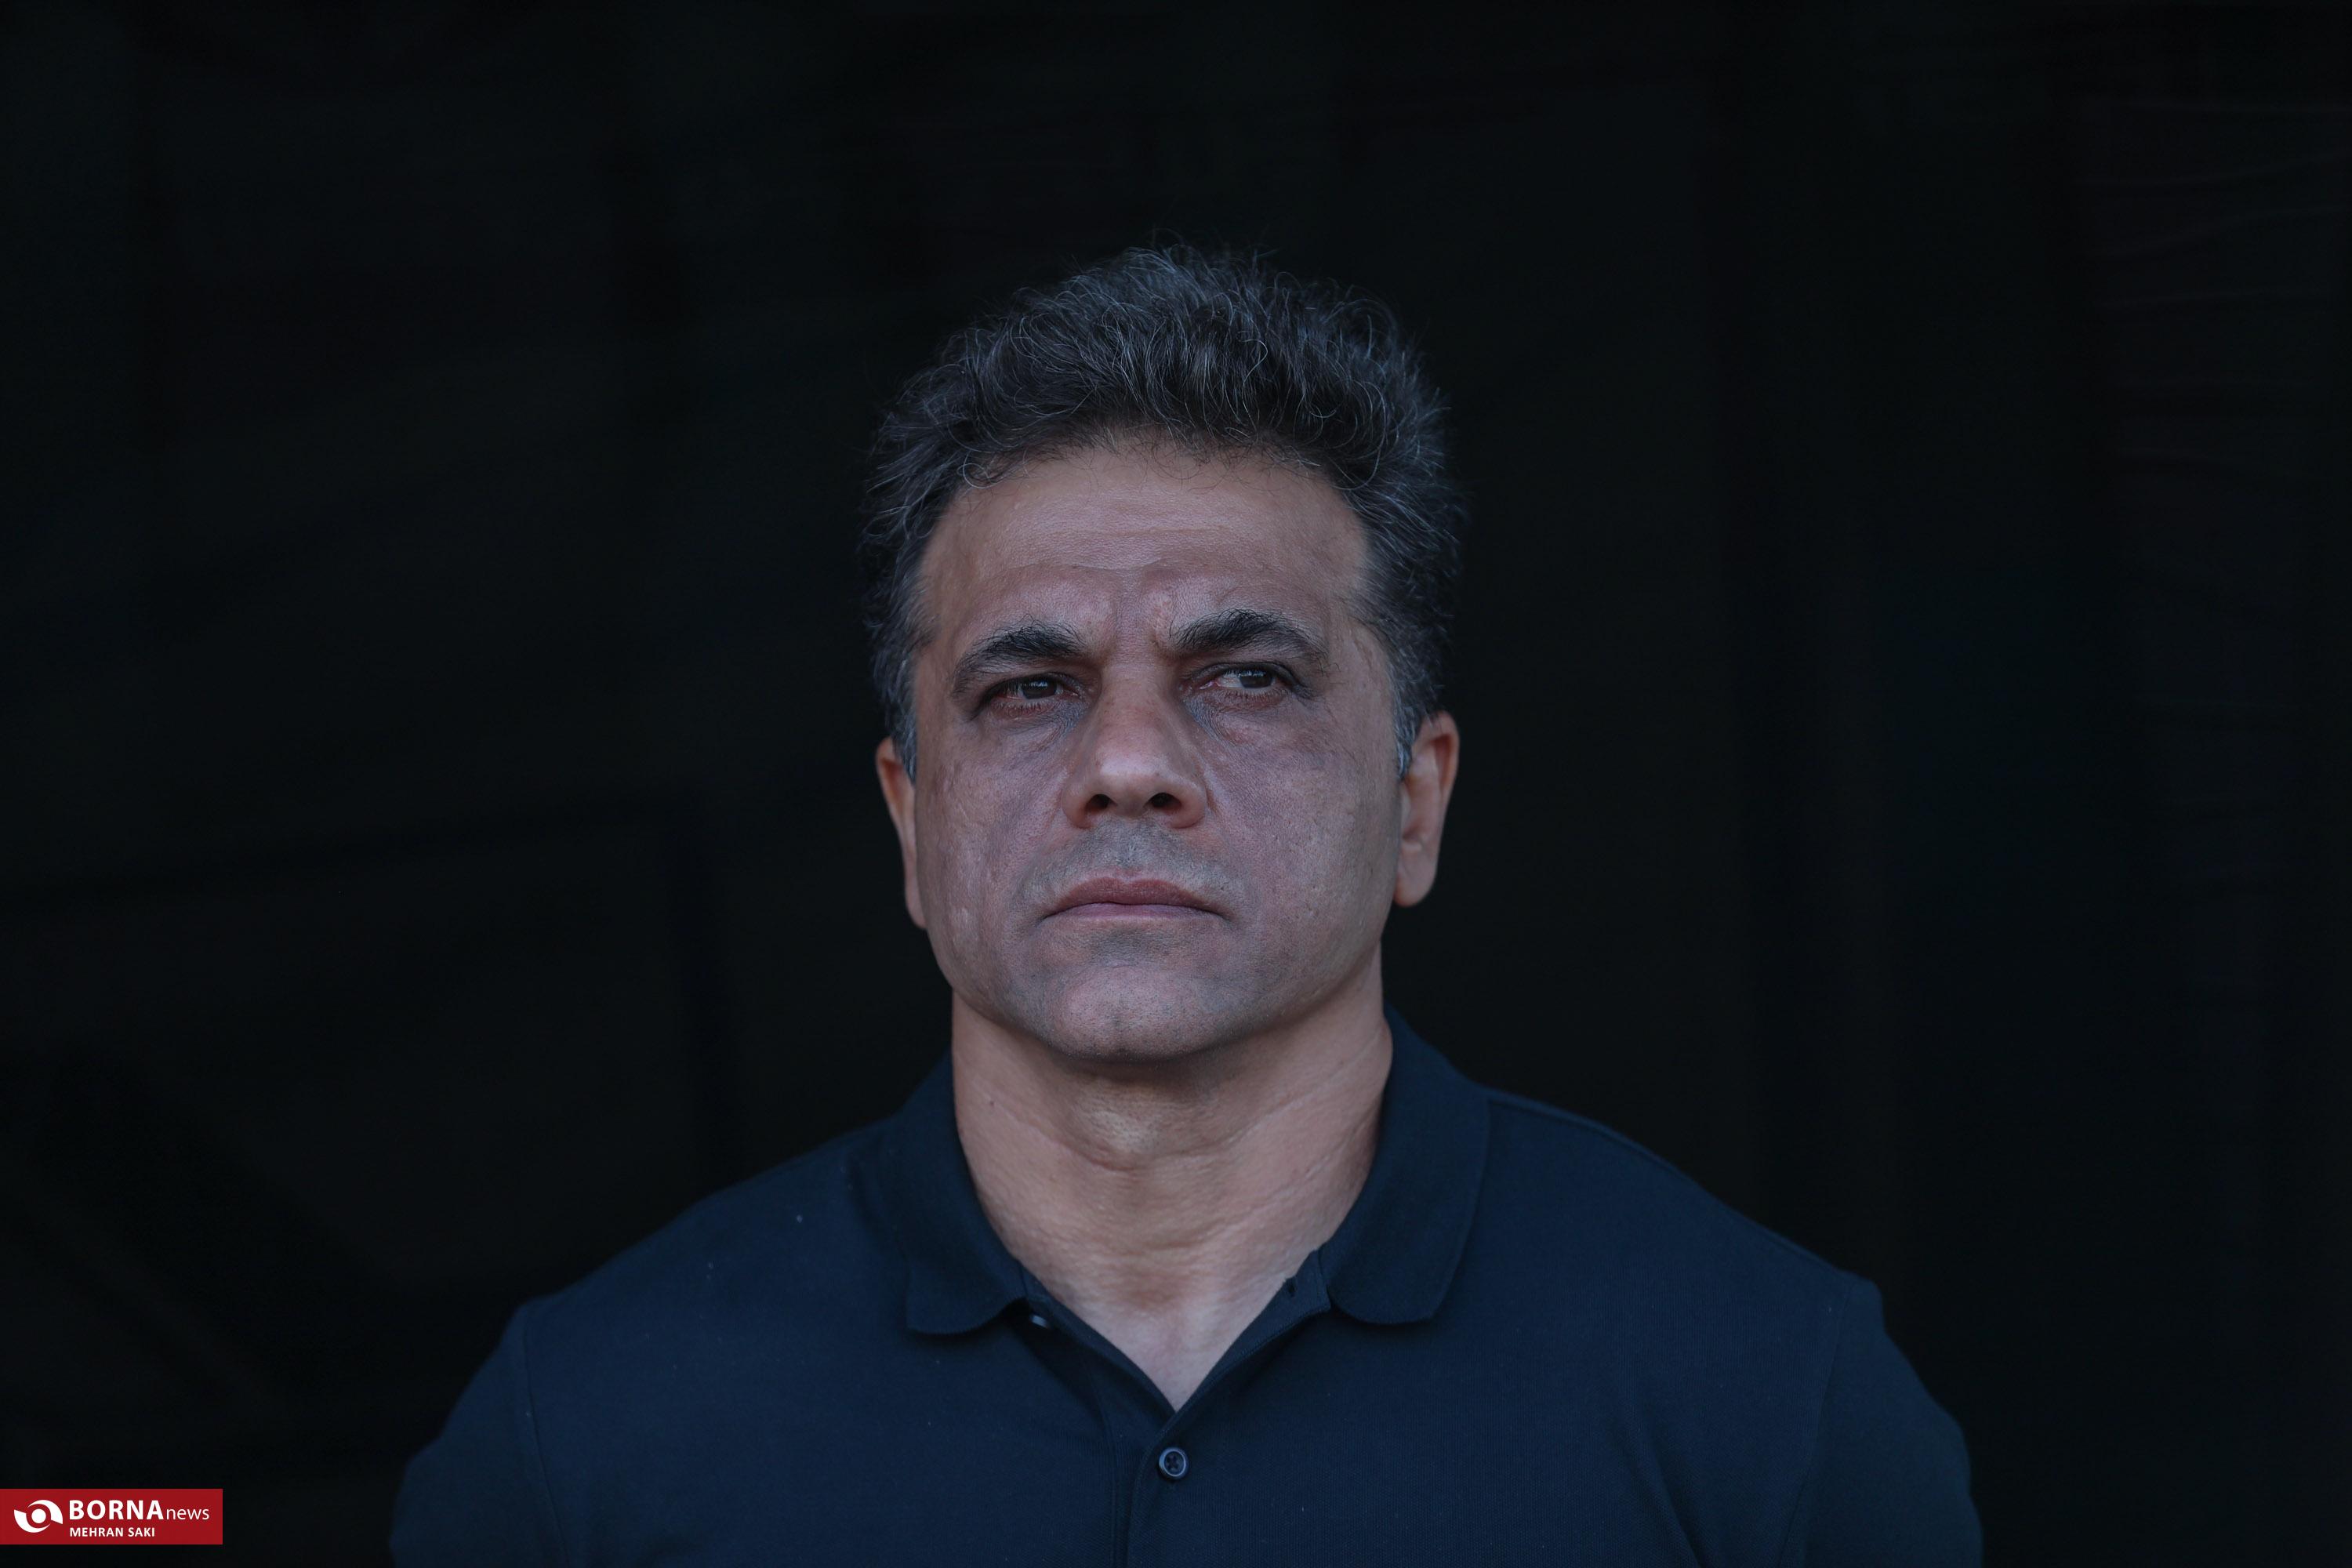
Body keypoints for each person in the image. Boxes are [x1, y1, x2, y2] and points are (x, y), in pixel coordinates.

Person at [391, 245, 1980, 1564]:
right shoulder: (581, 1434)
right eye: (1030, 687)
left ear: (1417, 800)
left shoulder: (1768, 1392)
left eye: (1248, 676)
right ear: (910, 821)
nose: (1131, 763)